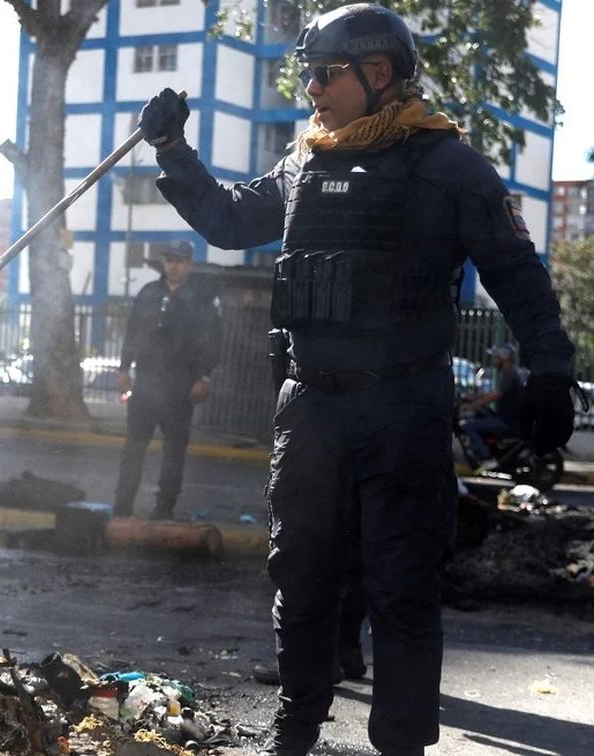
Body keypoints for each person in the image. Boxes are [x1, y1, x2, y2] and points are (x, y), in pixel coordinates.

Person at [136, 5, 577, 754]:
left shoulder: (449, 165)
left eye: (324, 73)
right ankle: (295, 727)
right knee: (299, 575)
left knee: (402, 587)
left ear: (379, 73)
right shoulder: (306, 160)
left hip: (403, 406)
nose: (310, 88)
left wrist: (552, 369)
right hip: (309, 407)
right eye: (306, 73)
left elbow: (516, 273)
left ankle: (401, 744)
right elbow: (230, 220)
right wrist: (174, 148)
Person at [112, 242, 219, 520]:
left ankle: (164, 508)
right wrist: (124, 369)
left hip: (180, 387)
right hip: (146, 384)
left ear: (189, 265)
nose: (174, 265)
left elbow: (210, 342)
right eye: (170, 260)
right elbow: (132, 333)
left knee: (174, 452)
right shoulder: (148, 293)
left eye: (180, 261)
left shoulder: (200, 300)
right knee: (133, 448)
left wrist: (203, 377)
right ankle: (122, 508)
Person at [460, 343, 526, 467]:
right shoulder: (509, 373)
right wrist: (474, 397)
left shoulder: (510, 375)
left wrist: (472, 405)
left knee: (469, 426)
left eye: (495, 357)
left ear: (503, 358)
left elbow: (496, 395)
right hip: (506, 418)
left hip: (507, 421)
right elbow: (494, 393)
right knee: (481, 415)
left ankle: (486, 458)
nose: (494, 360)